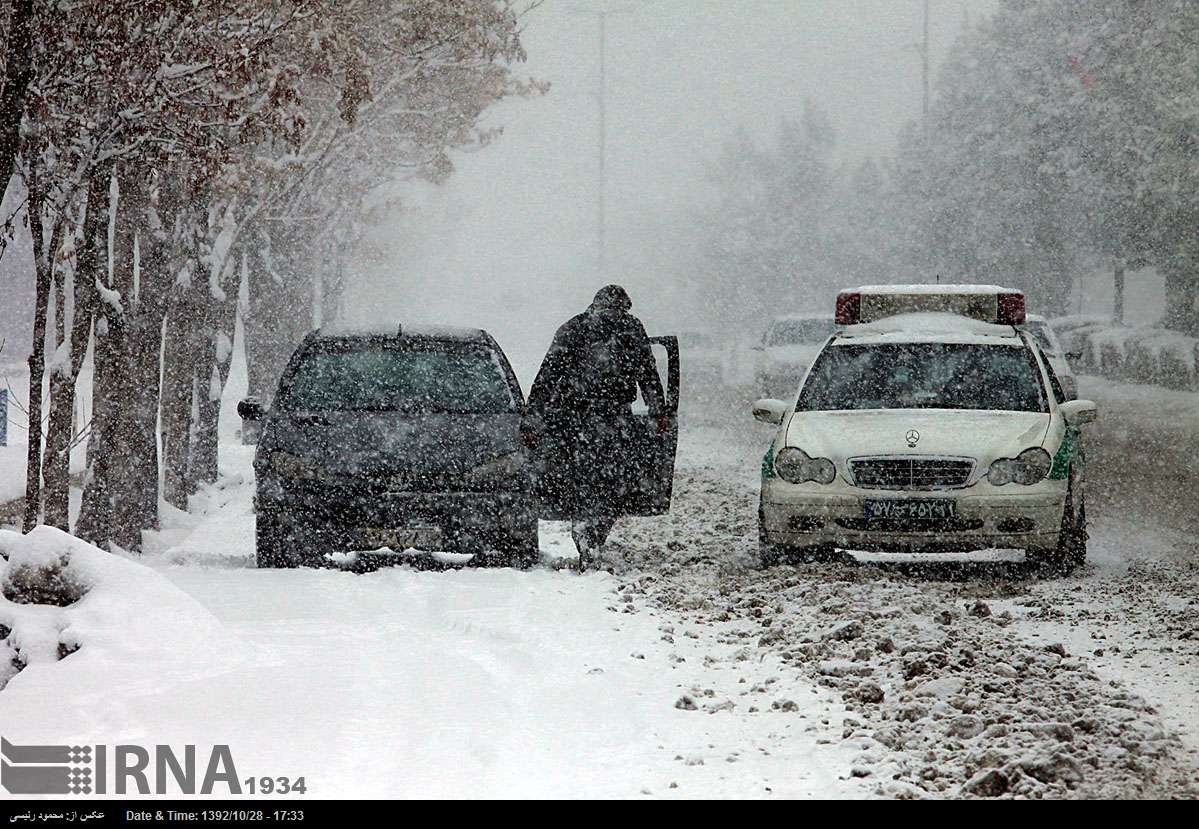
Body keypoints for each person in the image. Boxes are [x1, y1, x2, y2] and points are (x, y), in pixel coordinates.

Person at [523, 285, 668, 569]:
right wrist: (658, 411)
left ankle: (585, 528)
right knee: (612, 481)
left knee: (583, 478)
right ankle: (594, 533)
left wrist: (533, 416)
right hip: (615, 419)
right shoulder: (631, 328)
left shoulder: (573, 327)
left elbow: (547, 375)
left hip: (575, 419)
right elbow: (648, 375)